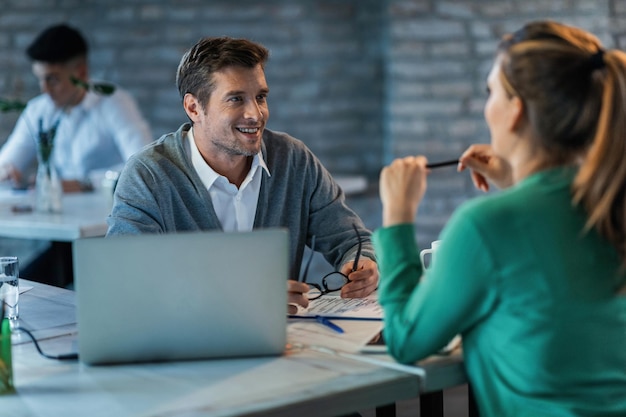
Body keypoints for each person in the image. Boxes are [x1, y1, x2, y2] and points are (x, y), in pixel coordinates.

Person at [374, 20, 626, 416]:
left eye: (491, 92)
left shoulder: (485, 224)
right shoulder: (610, 199)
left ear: (515, 111)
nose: (485, 105)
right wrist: (520, 181)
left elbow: (406, 340)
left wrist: (398, 217)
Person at [106, 36, 379, 312]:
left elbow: (351, 239)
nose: (255, 114)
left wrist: (362, 262)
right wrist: (246, 297)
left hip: (282, 344)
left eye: (260, 97)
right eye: (236, 99)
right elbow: (127, 281)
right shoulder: (148, 174)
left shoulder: (293, 159)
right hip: (187, 344)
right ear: (193, 108)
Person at [0, 23, 153, 192]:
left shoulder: (115, 103)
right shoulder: (38, 110)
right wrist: (5, 171)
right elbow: (7, 162)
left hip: (109, 211)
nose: (44, 89)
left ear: (80, 73)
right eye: (40, 79)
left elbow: (144, 166)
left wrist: (85, 184)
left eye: (52, 79)